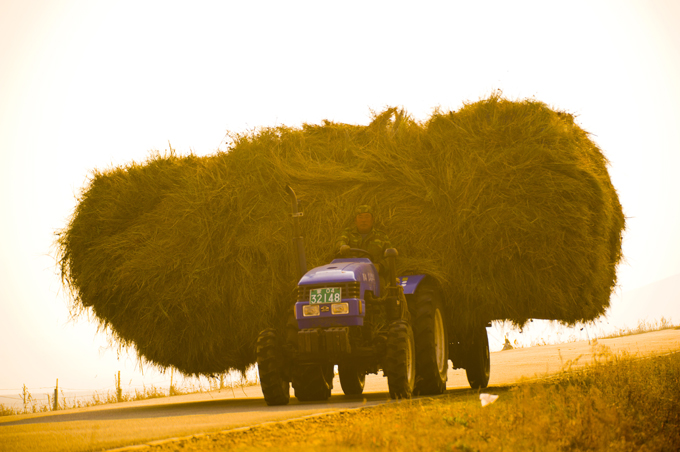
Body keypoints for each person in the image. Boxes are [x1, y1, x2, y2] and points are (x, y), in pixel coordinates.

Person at [335, 205, 392, 274]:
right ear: (355, 221)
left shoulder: (382, 237)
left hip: (373, 274)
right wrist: (342, 246)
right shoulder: (348, 233)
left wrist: (380, 266)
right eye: (360, 217)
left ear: (372, 220)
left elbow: (391, 257)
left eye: (367, 217)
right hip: (350, 273)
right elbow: (340, 241)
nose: (363, 220)